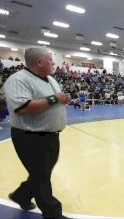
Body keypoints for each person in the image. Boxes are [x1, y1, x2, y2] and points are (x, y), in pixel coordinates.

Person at [3, 47, 71, 219]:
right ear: (39, 62)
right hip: (30, 137)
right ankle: (53, 214)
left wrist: (63, 98)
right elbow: (22, 108)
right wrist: (56, 98)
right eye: (51, 60)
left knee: (42, 173)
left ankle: (22, 194)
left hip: (51, 135)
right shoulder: (18, 80)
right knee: (42, 177)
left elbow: (55, 99)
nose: (54, 63)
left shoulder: (51, 80)